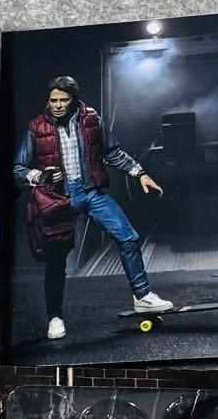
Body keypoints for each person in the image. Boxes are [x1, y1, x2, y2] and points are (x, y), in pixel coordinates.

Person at [13, 75, 172, 340]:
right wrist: (39, 176)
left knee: (128, 237)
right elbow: (17, 169)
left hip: (91, 193)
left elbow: (112, 152)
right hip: (58, 200)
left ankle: (143, 297)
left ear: (74, 100)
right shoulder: (35, 127)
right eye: (53, 100)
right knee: (56, 262)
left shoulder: (92, 119)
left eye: (63, 100)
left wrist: (139, 173)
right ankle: (55, 317)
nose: (58, 105)